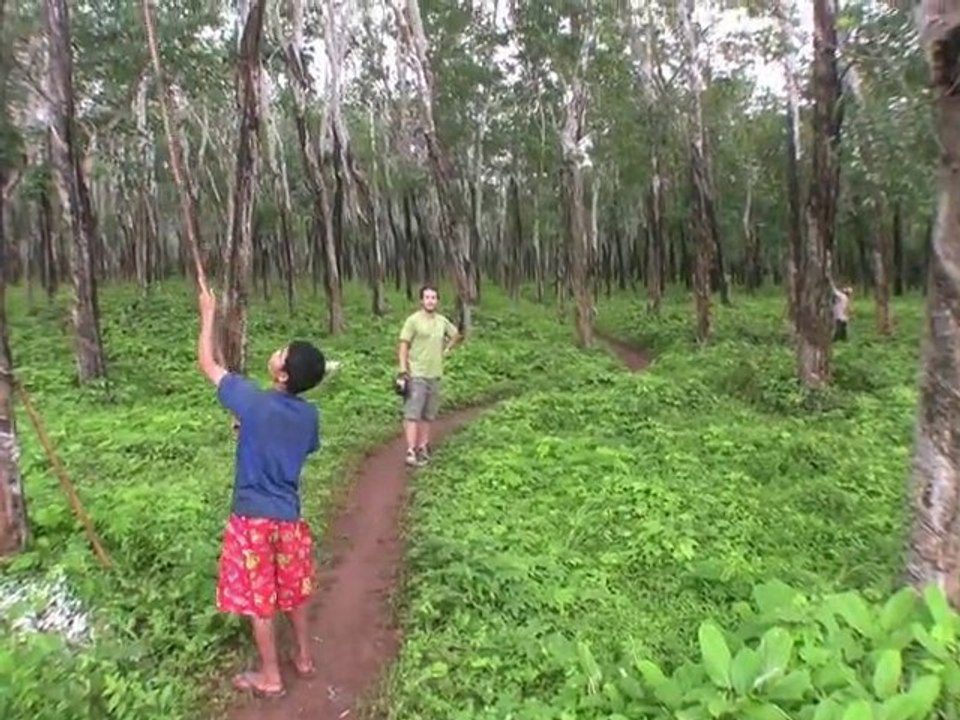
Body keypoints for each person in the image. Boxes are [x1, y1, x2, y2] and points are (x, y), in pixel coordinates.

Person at [196, 285, 325, 698]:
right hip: (288, 518)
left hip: (251, 518)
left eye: (281, 353)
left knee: (260, 600)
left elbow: (207, 363)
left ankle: (270, 677)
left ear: (282, 374)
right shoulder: (309, 416)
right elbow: (300, 446)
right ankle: (304, 658)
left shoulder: (251, 401)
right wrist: (252, 430)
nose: (276, 352)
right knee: (293, 591)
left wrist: (208, 312)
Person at [397, 285, 460, 467]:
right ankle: (411, 450)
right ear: (421, 300)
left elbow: (456, 335)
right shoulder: (413, 321)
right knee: (413, 413)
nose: (430, 301)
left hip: (435, 373)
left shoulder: (441, 321)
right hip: (416, 373)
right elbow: (403, 345)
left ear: (437, 301)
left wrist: (446, 349)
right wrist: (403, 369)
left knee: (428, 414)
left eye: (433, 297)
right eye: (427, 297)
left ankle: (423, 446)